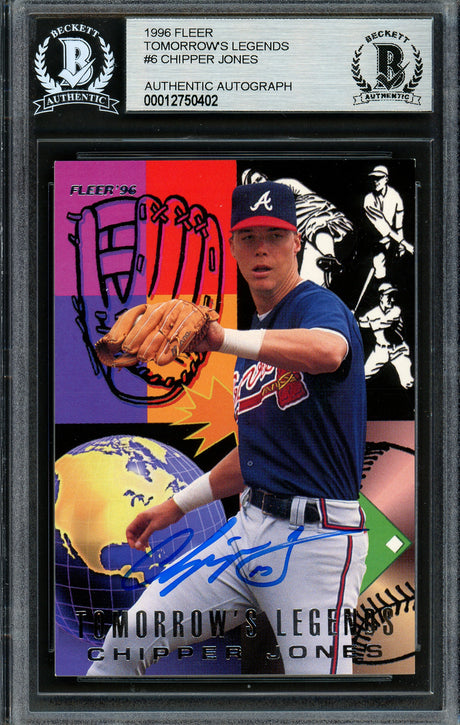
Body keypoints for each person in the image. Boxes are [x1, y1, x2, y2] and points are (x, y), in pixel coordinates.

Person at [86, 181, 368, 677]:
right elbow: (255, 454)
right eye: (248, 236)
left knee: (322, 703)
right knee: (125, 643)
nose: (262, 249)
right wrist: (175, 507)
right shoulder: (251, 344)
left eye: (275, 235)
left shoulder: (317, 307)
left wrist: (221, 339)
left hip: (315, 542)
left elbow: (329, 351)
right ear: (232, 246)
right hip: (247, 529)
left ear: (297, 242)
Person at [241, 168, 353, 287]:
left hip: (324, 219)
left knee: (315, 226)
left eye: (259, 179)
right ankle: (330, 271)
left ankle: (330, 257)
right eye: (254, 184)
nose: (260, 184)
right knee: (310, 276)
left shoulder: (281, 186)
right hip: (309, 238)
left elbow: (311, 204)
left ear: (265, 177)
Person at [358, 282, 413, 389]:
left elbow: (384, 323)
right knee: (363, 376)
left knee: (407, 381)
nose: (392, 299)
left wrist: (364, 322)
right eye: (389, 296)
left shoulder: (396, 311)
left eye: (393, 296)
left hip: (397, 350)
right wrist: (353, 318)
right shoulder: (372, 313)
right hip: (380, 350)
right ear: (381, 297)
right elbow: (361, 323)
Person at [363, 165, 413, 281]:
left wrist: (401, 245)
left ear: (386, 179)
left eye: (379, 178)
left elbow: (399, 225)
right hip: (372, 242)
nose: (376, 181)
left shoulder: (395, 196)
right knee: (377, 268)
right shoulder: (369, 199)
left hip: (391, 239)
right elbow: (383, 226)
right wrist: (405, 244)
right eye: (374, 178)